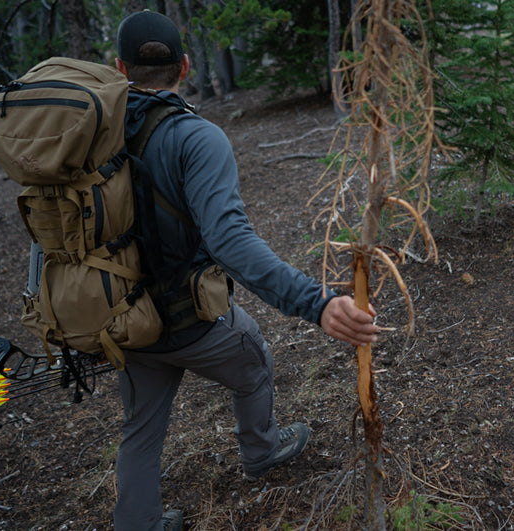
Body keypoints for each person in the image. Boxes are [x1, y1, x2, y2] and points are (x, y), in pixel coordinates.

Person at [112, 11, 379, 531]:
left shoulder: (88, 138)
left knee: (140, 429)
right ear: (185, 67)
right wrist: (318, 303)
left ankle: (137, 522)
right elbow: (229, 241)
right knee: (253, 356)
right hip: (192, 321)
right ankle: (261, 452)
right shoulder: (195, 137)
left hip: (121, 319)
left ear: (119, 68)